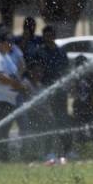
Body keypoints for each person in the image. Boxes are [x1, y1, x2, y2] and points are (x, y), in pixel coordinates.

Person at [0, 31, 28, 161]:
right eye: (8, 42)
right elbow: (0, 77)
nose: (11, 45)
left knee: (4, 129)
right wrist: (17, 85)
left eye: (12, 42)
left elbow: (15, 72)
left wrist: (19, 83)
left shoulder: (5, 56)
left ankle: (2, 156)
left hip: (8, 99)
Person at [34, 25, 71, 156]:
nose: (49, 38)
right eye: (46, 36)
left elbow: (67, 70)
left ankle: (66, 150)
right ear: (43, 37)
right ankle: (48, 151)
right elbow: (36, 71)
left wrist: (66, 84)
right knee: (48, 121)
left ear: (54, 36)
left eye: (51, 35)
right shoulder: (39, 52)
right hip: (46, 91)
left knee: (63, 119)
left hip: (60, 91)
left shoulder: (61, 52)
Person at [71, 55, 93, 146]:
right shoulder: (75, 77)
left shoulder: (90, 76)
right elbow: (73, 92)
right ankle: (83, 143)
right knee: (81, 129)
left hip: (86, 106)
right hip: (81, 106)